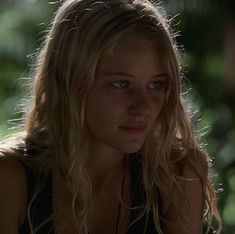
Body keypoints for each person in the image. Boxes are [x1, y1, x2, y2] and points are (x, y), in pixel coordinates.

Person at [0, 0, 221, 233]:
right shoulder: (11, 178)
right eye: (121, 83)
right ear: (72, 81)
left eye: (156, 85)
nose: (144, 107)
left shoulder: (175, 177)